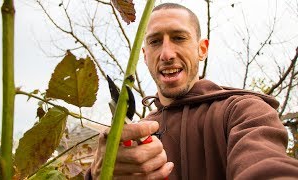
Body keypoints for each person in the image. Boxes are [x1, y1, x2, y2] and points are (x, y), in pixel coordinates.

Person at [86, 3, 298, 180]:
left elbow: (266, 165)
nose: (166, 54)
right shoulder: (137, 134)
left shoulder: (244, 111)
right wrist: (97, 174)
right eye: (155, 41)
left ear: (202, 49)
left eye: (179, 38)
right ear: (144, 54)